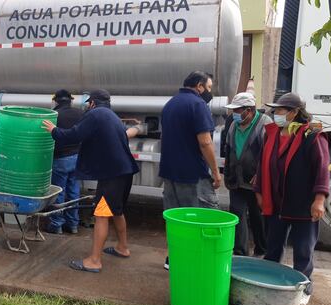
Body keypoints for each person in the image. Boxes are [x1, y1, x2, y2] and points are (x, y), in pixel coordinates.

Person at [42, 89, 139, 273]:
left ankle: (94, 261)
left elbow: (74, 135)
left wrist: (53, 130)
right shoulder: (111, 116)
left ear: (92, 103)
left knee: (101, 214)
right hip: (125, 171)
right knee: (117, 210)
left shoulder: (95, 115)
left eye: (88, 103)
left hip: (111, 174)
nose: (87, 106)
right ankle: (122, 248)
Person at [254, 92, 330, 305]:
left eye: (279, 110)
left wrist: (319, 200)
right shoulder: (272, 134)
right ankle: (269, 283)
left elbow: (322, 169)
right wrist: (260, 192)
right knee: (273, 248)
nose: (274, 114)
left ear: (294, 113)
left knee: (303, 252)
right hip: (277, 203)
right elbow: (262, 166)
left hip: (302, 205)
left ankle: (303, 290)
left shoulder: (311, 136)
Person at [159, 71, 221, 269]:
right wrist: (216, 171)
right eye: (208, 88)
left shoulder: (170, 104)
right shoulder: (198, 105)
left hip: (169, 173)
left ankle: (173, 258)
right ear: (199, 86)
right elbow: (205, 142)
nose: (209, 93)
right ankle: (194, 261)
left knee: (175, 219)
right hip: (192, 175)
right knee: (198, 218)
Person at [223, 92, 271, 256]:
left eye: (238, 110)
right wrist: (227, 173)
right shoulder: (233, 125)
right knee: (237, 214)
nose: (234, 114)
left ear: (249, 110)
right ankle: (240, 252)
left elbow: (269, 154)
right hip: (236, 180)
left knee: (257, 216)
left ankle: (262, 250)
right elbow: (228, 149)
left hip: (255, 182)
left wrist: (261, 175)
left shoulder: (265, 124)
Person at [46, 89, 84, 235]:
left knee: (58, 192)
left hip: (60, 159)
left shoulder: (54, 115)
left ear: (55, 101)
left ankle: (56, 225)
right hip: (77, 158)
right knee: (74, 191)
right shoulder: (80, 113)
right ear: (70, 100)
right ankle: (73, 225)